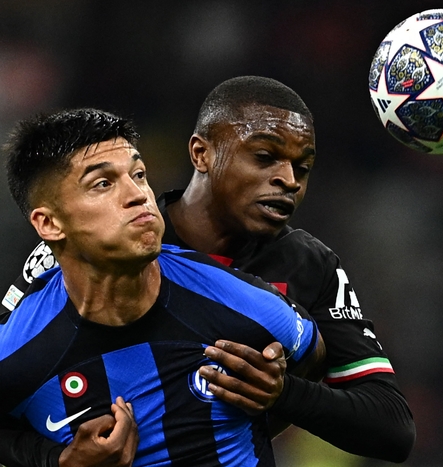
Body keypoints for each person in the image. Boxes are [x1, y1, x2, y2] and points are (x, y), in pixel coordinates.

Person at [1, 77, 416, 466]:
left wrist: (280, 395)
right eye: (265, 157)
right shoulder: (105, 243)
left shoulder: (306, 267)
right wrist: (53, 458)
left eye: (302, 168)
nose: (288, 180)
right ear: (201, 154)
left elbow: (392, 427)